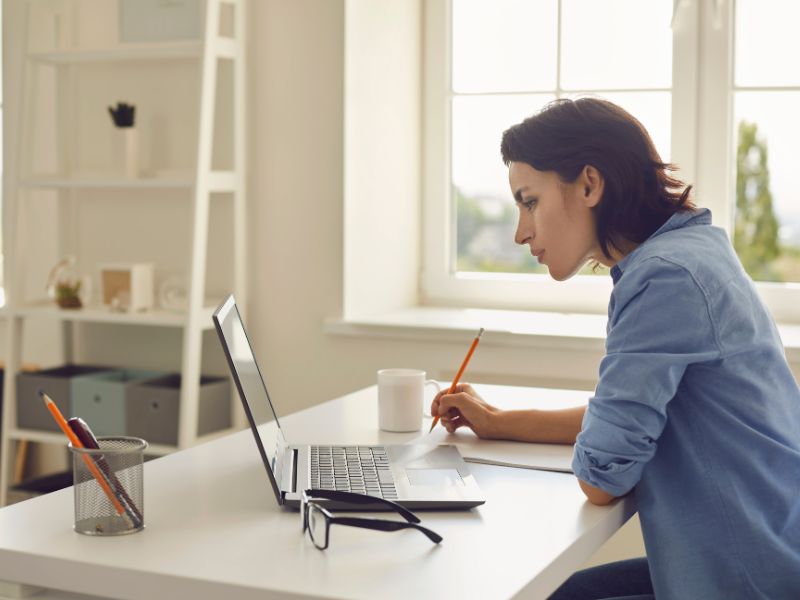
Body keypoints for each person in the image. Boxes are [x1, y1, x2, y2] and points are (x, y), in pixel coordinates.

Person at [430, 98, 800, 600]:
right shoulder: (696, 248)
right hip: (770, 548)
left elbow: (603, 478)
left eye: (529, 201)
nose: (521, 232)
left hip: (747, 579)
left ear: (589, 184)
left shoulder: (663, 278)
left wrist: (605, 438)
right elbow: (627, 422)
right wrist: (497, 420)